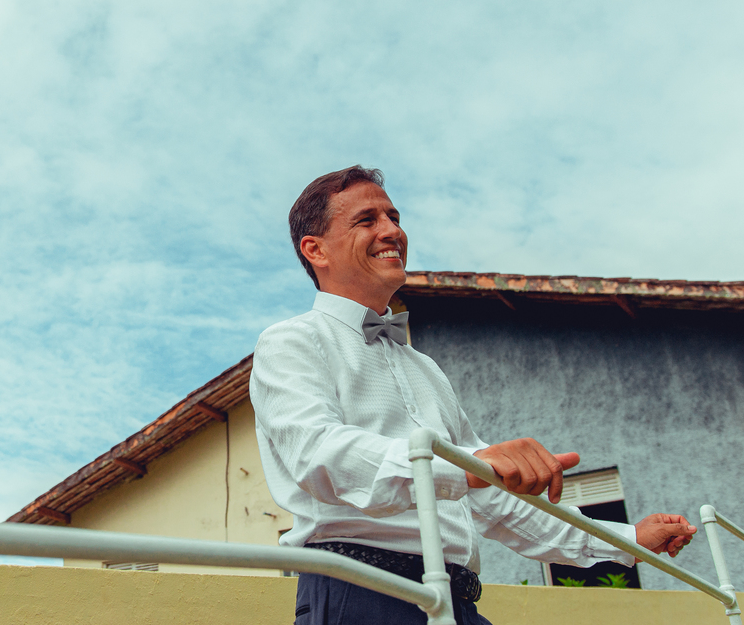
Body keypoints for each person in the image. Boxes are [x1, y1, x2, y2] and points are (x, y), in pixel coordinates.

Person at [250, 166, 696, 625]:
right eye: (367, 220)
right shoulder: (290, 342)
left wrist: (626, 541)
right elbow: (319, 456)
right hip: (360, 595)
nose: (393, 231)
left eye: (394, 216)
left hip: (456, 601)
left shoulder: (427, 369)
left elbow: (493, 499)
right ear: (315, 249)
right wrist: (472, 466)